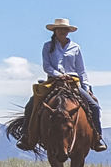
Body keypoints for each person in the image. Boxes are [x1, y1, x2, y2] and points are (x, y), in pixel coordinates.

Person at [40, 17, 107, 152]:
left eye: (65, 29)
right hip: (54, 81)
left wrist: (86, 88)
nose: (63, 31)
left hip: (73, 82)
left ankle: (97, 137)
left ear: (68, 31)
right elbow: (46, 66)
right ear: (55, 30)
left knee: (94, 106)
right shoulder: (48, 46)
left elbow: (81, 70)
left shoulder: (75, 47)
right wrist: (59, 75)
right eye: (60, 28)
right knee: (33, 104)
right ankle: (28, 136)